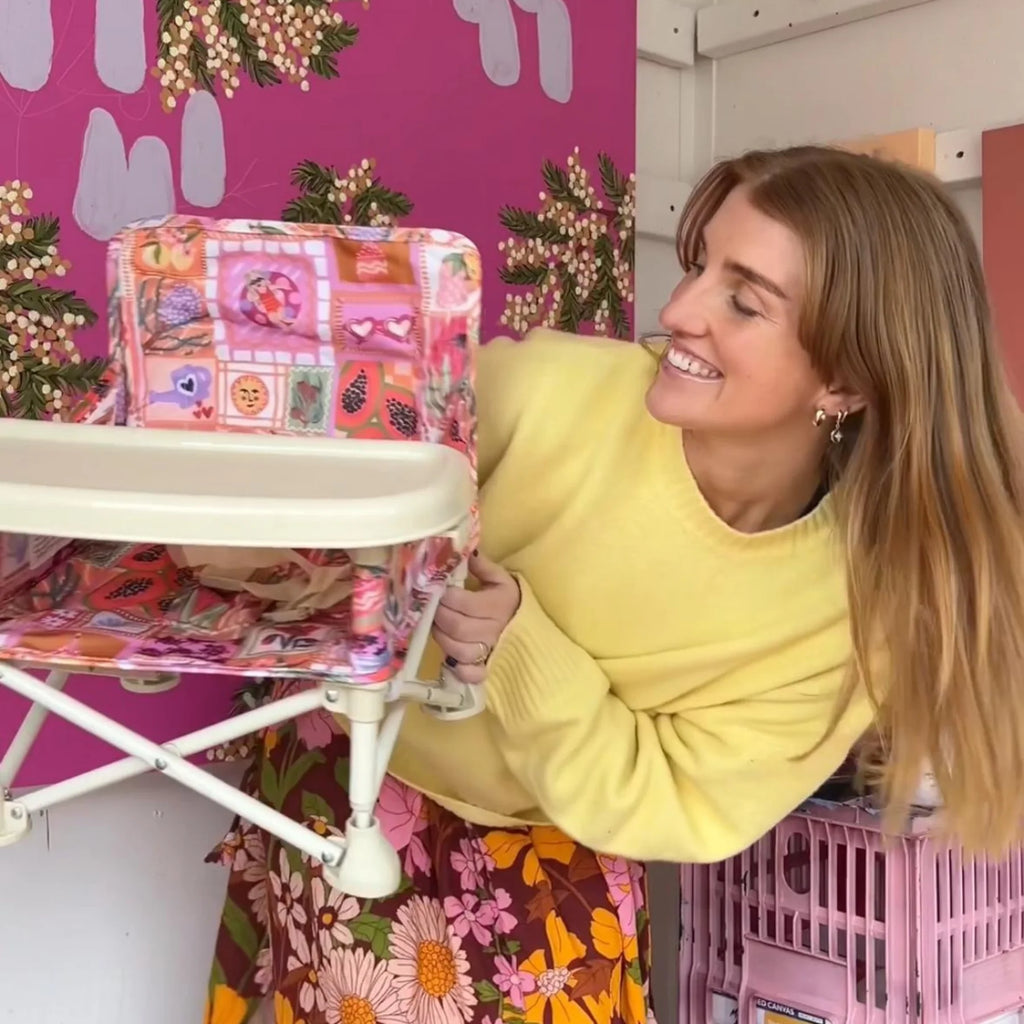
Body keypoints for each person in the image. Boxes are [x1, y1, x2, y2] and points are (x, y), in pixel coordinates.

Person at [202, 145, 1024, 1024]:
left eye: (742, 301)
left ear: (846, 381)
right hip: (351, 794)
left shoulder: (853, 615)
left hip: (562, 867)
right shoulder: (549, 390)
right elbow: (287, 537)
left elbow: (680, 804)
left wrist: (522, 648)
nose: (676, 312)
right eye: (698, 267)